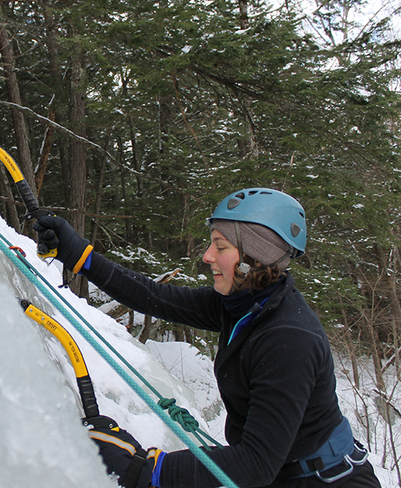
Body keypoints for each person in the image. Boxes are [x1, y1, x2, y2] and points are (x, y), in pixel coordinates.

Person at [33, 188, 382, 488]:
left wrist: (147, 469)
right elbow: (156, 297)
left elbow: (256, 463)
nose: (207, 256)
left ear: (253, 259)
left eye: (221, 246)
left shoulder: (288, 340)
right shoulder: (245, 303)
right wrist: (80, 255)